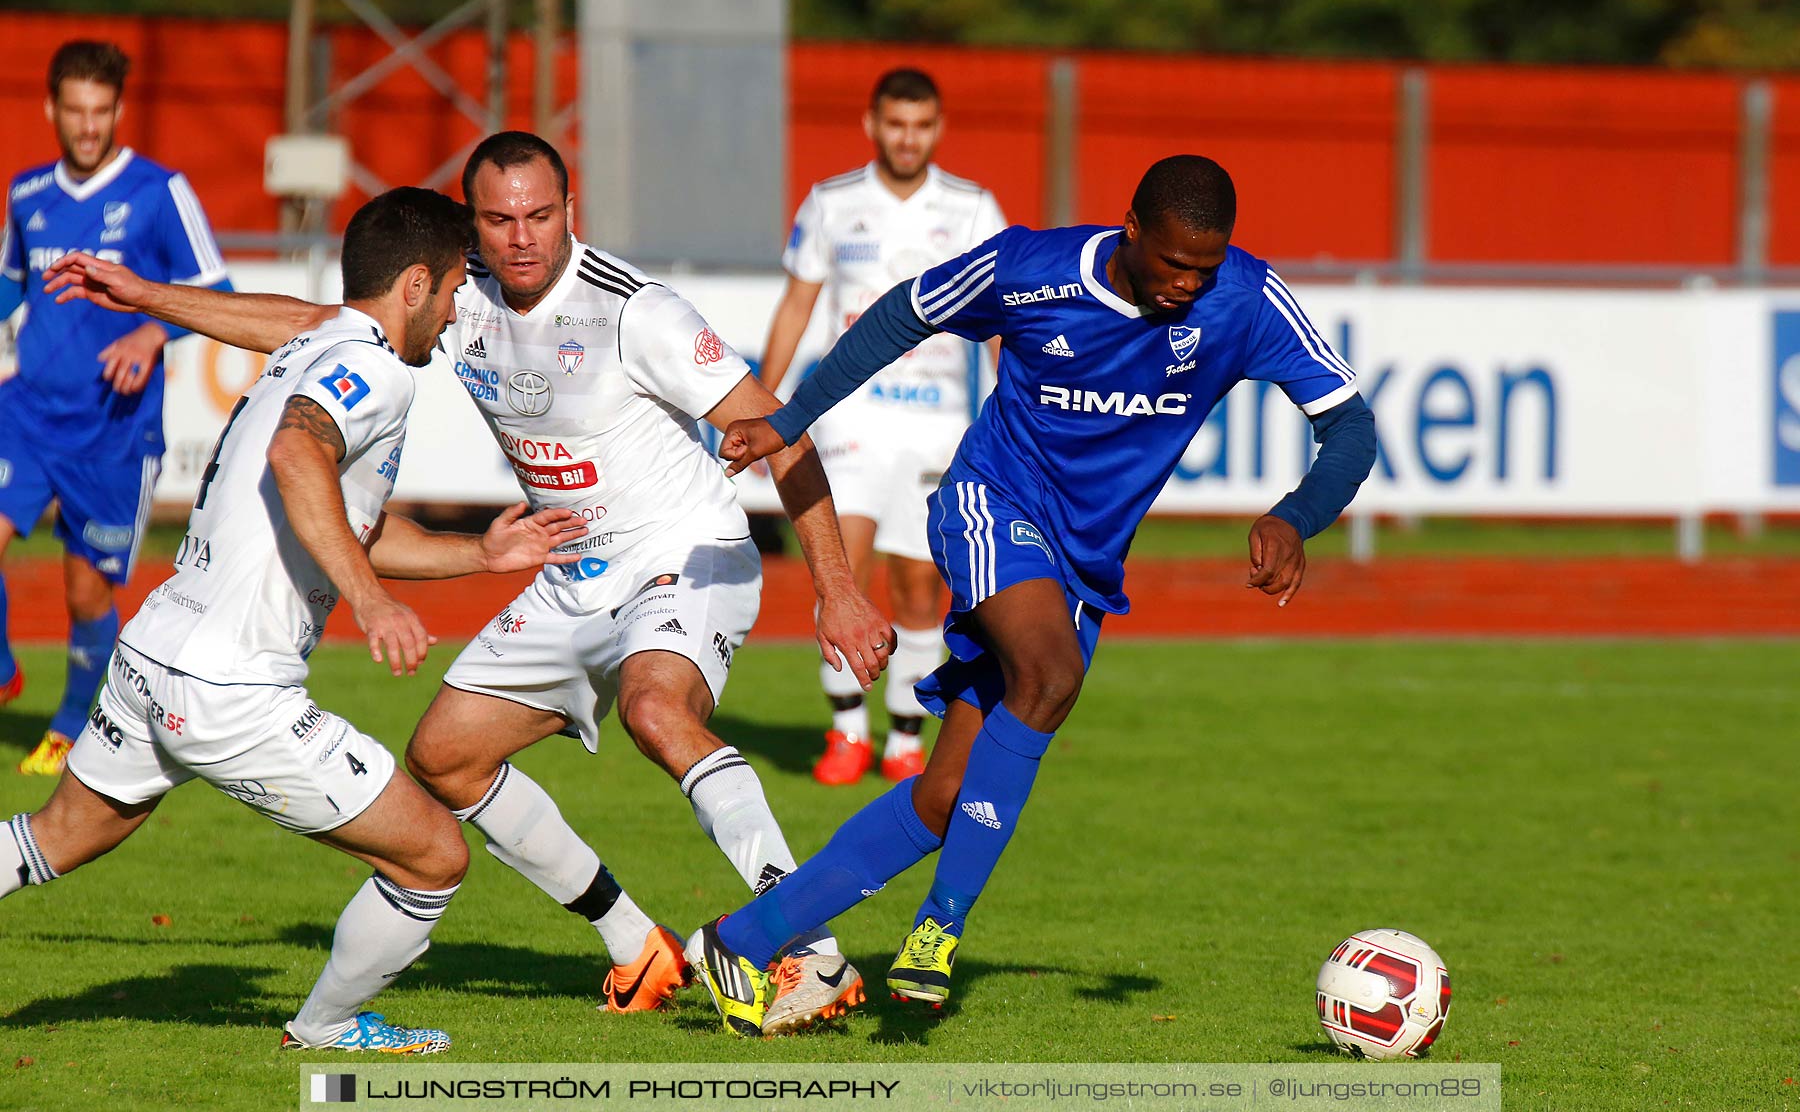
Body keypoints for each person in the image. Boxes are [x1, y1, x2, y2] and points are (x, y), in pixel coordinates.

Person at [44, 132, 894, 1035]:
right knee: (445, 758)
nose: (522, 237)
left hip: (681, 554)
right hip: (571, 570)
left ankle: (811, 943)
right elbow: (314, 324)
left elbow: (783, 433)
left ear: (573, 212)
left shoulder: (638, 313)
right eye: (499, 219)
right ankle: (633, 939)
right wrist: (151, 299)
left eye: (540, 215)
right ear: (472, 230)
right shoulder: (466, 294)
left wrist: (834, 587)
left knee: (655, 709)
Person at [684, 155, 1380, 1036]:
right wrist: (787, 419)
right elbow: (901, 314)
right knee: (1047, 675)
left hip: (1083, 566)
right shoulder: (1029, 270)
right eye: (1173, 263)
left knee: (946, 797)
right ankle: (938, 931)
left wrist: (1297, 515)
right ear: (1131, 226)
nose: (1187, 285)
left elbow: (1350, 423)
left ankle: (739, 941)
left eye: (1204, 268)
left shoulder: (1243, 300)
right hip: (990, 504)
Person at [0, 188, 585, 1053]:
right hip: (231, 687)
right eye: (460, 285)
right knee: (433, 856)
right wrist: (372, 600)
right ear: (417, 284)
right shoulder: (377, 368)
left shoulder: (323, 337)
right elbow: (295, 451)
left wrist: (479, 555)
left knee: (54, 838)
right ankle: (329, 1026)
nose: (462, 307)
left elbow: (348, 504)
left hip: (155, 649)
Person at [760, 68, 1005, 787]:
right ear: (872, 125)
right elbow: (798, 305)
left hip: (937, 419)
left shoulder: (971, 208)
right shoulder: (833, 203)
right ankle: (846, 734)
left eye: (922, 125)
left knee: (921, 585)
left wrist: (1013, 407)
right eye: (896, 124)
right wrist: (768, 408)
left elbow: (999, 321)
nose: (908, 138)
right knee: (843, 570)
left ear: (939, 128)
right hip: (851, 415)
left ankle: (904, 738)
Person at [0, 40, 233, 776]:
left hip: (113, 431)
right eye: (75, 110)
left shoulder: (160, 192)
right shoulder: (27, 194)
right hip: (28, 411)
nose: (89, 125)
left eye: (102, 111)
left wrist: (148, 331)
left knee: (83, 588)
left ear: (118, 111)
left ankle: (73, 722)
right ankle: (4, 672)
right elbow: (12, 286)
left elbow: (217, 295)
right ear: (52, 111)